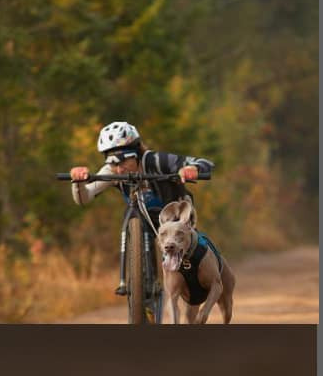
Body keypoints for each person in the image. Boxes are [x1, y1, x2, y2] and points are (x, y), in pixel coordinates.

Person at [68, 121, 214, 295]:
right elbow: (84, 198)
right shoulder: (112, 171)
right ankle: (136, 280)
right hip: (141, 217)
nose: (119, 167)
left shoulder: (156, 160)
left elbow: (204, 162)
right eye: (112, 160)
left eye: (123, 159)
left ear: (137, 152)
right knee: (131, 214)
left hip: (176, 219)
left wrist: (192, 168)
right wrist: (77, 183)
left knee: (189, 267)